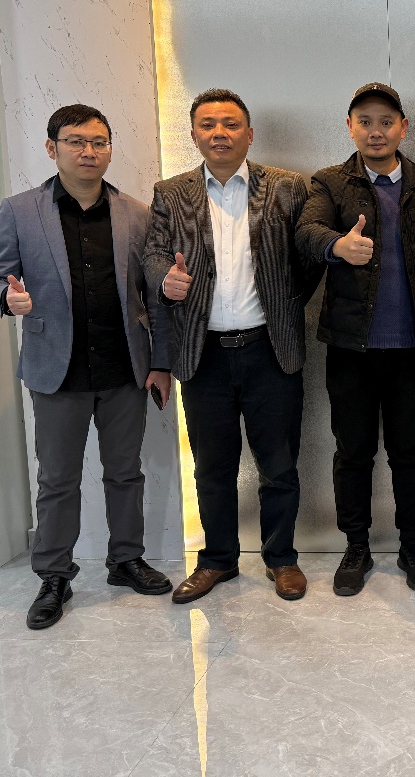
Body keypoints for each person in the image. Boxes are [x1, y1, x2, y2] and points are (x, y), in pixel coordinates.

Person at [0, 104, 174, 629]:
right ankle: (54, 575)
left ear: (110, 148)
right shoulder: (21, 211)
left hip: (124, 367)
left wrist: (160, 363)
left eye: (99, 142)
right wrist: (7, 300)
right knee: (58, 480)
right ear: (52, 148)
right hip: (55, 369)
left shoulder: (136, 214)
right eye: (76, 141)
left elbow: (153, 299)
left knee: (125, 473)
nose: (89, 151)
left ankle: (126, 559)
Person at [144, 88, 320, 604]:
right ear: (194, 134)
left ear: (249, 133)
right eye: (208, 124)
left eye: (230, 124)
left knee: (279, 465)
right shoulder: (170, 192)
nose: (219, 133)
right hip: (203, 354)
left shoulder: (287, 187)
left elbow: (308, 257)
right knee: (212, 468)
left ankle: (281, 558)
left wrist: (287, 303)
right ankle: (218, 559)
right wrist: (166, 280)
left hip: (271, 349)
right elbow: (153, 254)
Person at [295, 82, 415, 596]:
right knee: (353, 451)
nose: (375, 131)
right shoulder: (329, 182)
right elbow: (307, 232)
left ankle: (412, 544)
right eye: (364, 121)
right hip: (350, 347)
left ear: (403, 128)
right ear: (350, 127)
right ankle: (356, 546)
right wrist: (337, 246)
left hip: (413, 348)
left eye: (386, 121)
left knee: (410, 452)